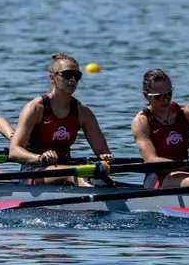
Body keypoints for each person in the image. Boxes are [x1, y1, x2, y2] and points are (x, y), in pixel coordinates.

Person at [7, 52, 113, 185]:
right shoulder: (36, 108)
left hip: (67, 167)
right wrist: (40, 158)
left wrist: (106, 157)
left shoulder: (83, 112)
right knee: (75, 174)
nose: (73, 80)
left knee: (100, 174)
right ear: (52, 78)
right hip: (33, 171)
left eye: (77, 76)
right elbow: (14, 151)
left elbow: (103, 152)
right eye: (67, 75)